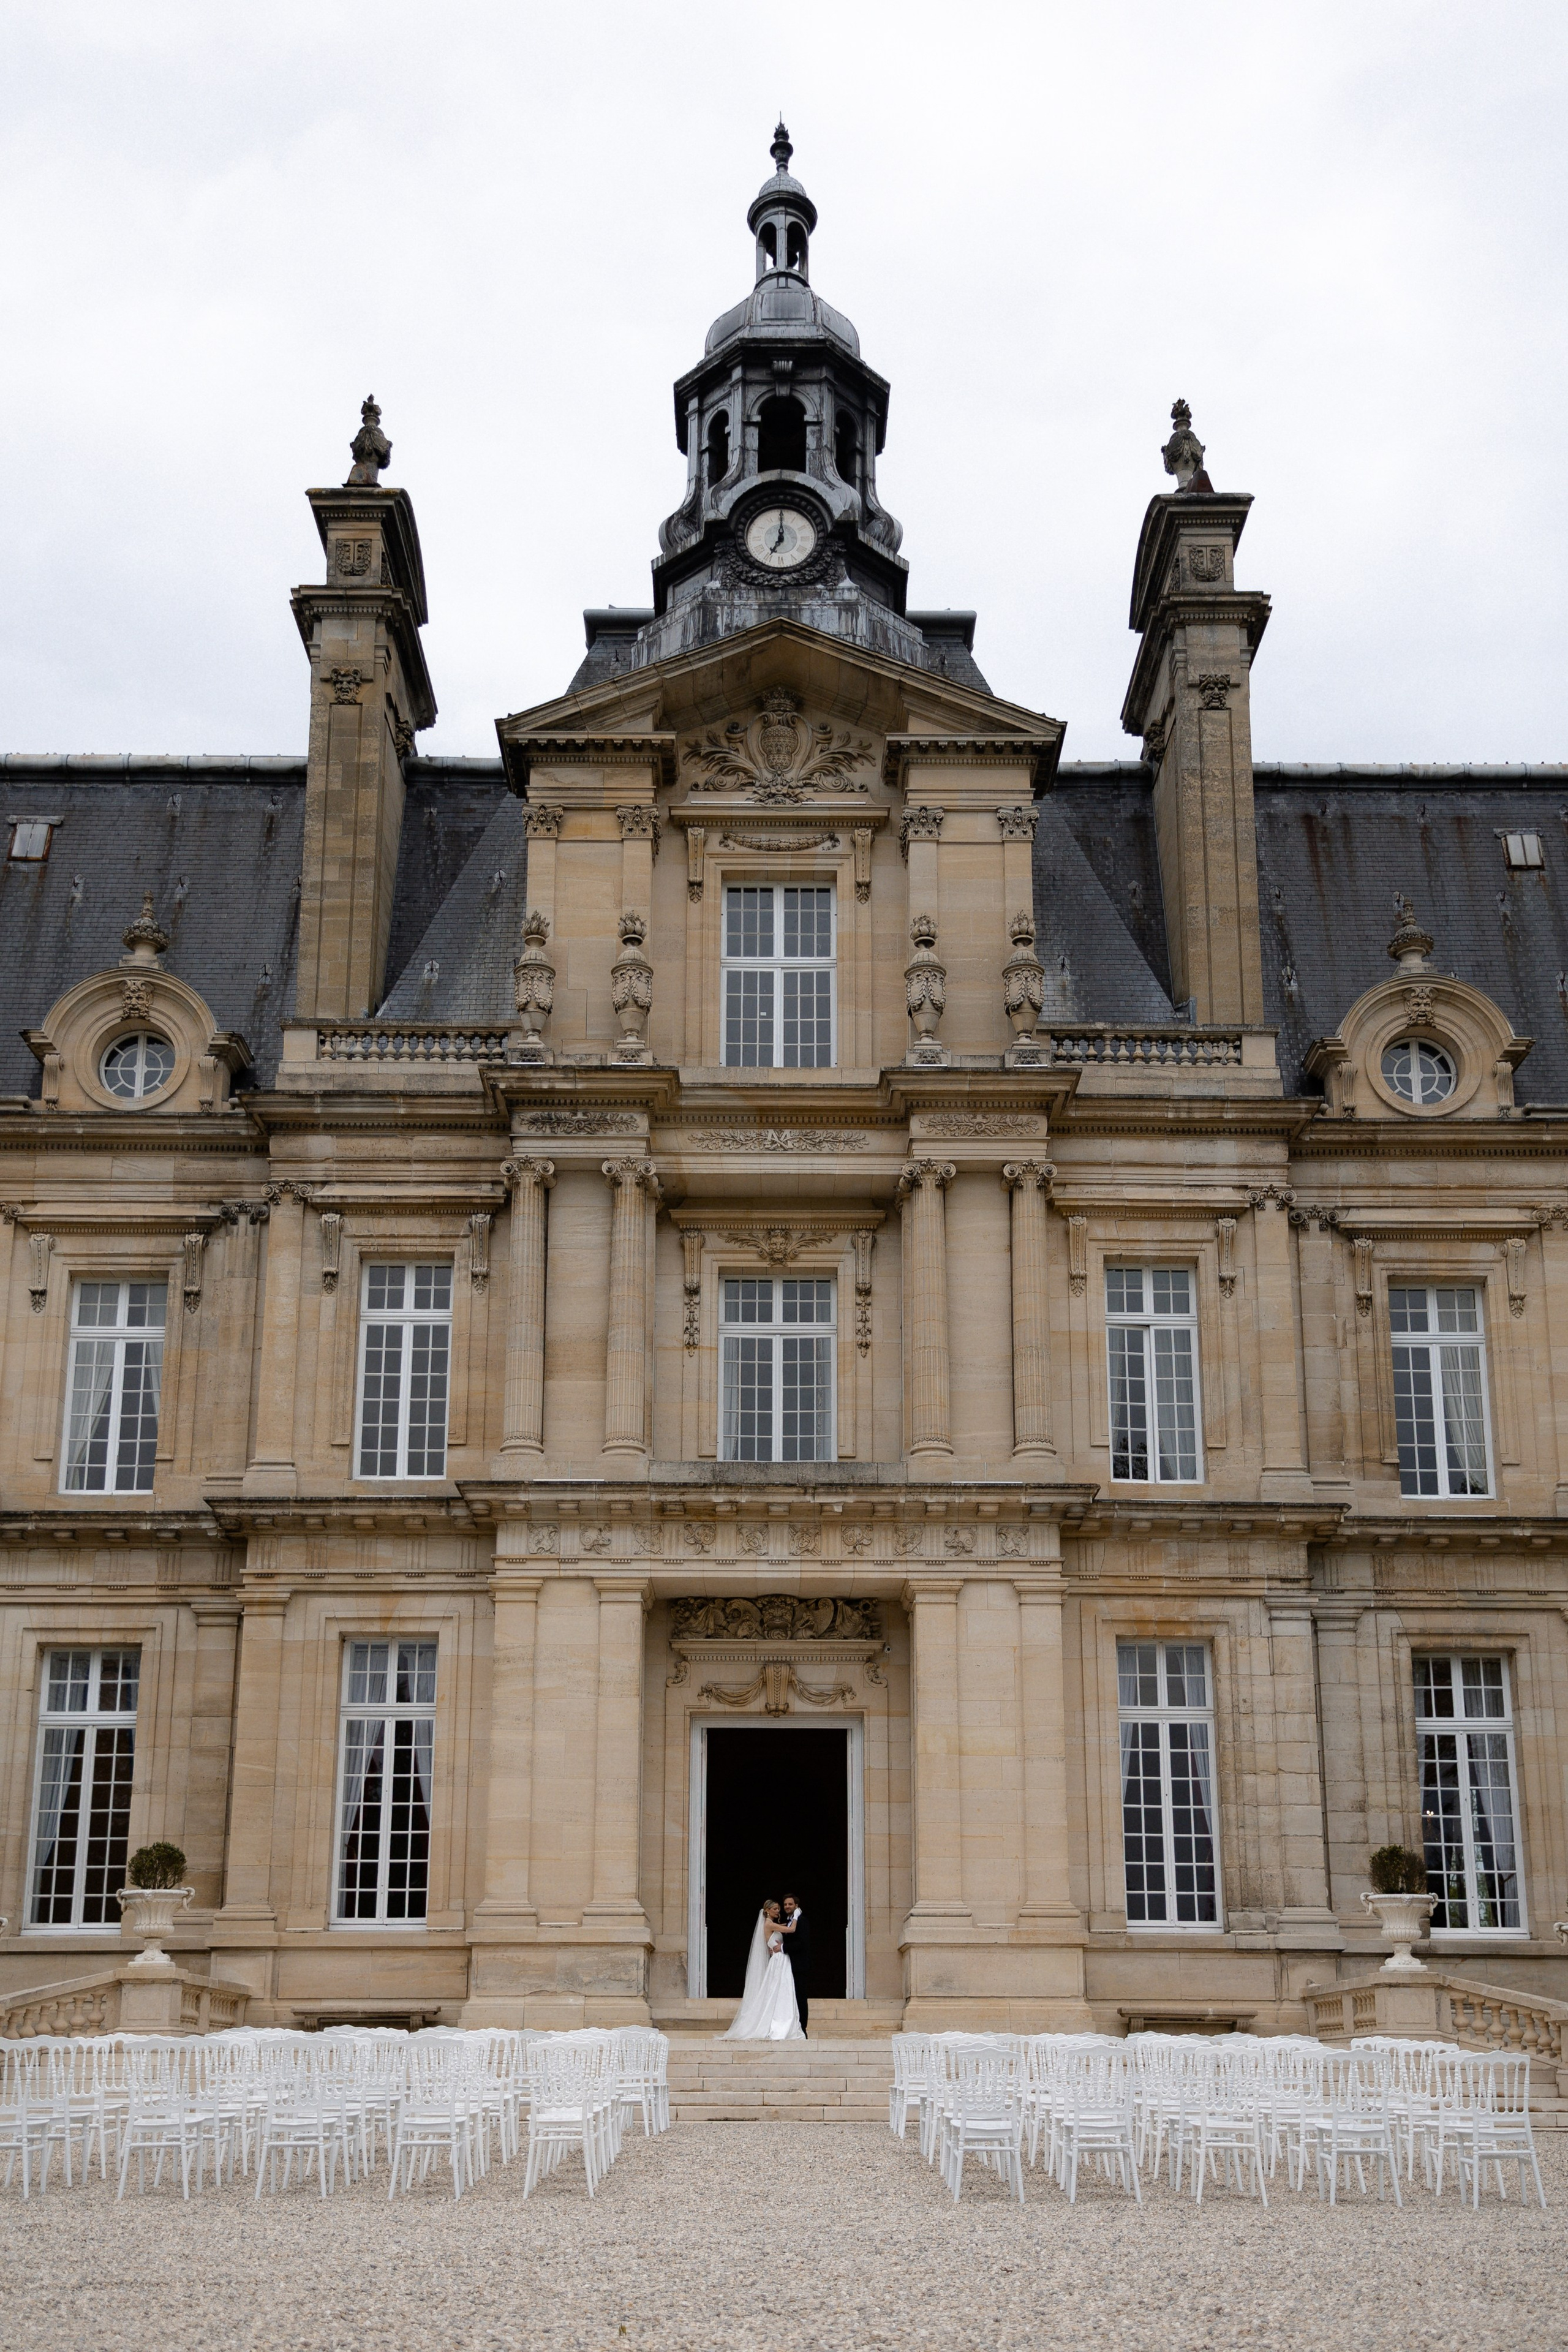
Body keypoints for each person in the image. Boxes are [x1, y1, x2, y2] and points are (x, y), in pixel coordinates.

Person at [720, 1899, 804, 2040]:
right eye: (775, 1909)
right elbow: (791, 1929)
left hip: (780, 1960)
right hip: (779, 1961)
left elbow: (780, 1929)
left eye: (779, 1908)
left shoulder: (772, 1925)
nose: (778, 1911)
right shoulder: (769, 1924)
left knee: (780, 1992)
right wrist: (796, 1915)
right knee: (778, 1991)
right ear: (767, 1911)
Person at [779, 1892, 810, 2034]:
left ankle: (802, 2029)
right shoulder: (789, 1921)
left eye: (790, 1904)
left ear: (796, 1906)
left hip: (800, 1966)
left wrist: (783, 1948)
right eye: (785, 1904)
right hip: (788, 1966)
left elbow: (803, 1943)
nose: (787, 1906)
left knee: (800, 1997)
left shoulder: (802, 1921)